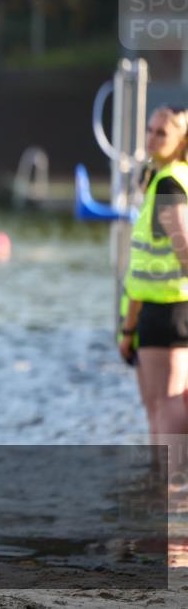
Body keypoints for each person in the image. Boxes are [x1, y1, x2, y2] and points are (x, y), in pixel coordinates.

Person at [119, 105, 188, 485]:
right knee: (157, 406)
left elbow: (184, 249)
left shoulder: (169, 185)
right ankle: (164, 491)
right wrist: (129, 328)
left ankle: (174, 494)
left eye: (162, 132)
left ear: (181, 141)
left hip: (170, 310)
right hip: (153, 311)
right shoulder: (165, 179)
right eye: (150, 129)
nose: (152, 137)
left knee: (167, 403)